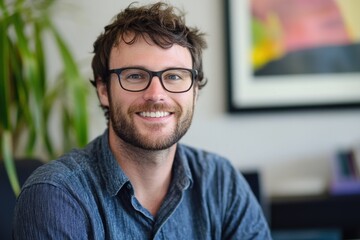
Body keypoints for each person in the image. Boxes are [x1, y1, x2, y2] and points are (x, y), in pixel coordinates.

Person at [13, 2, 271, 239]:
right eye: (135, 76)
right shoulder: (57, 194)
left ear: (195, 91)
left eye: (174, 76)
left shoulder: (222, 183)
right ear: (104, 90)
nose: (156, 95)